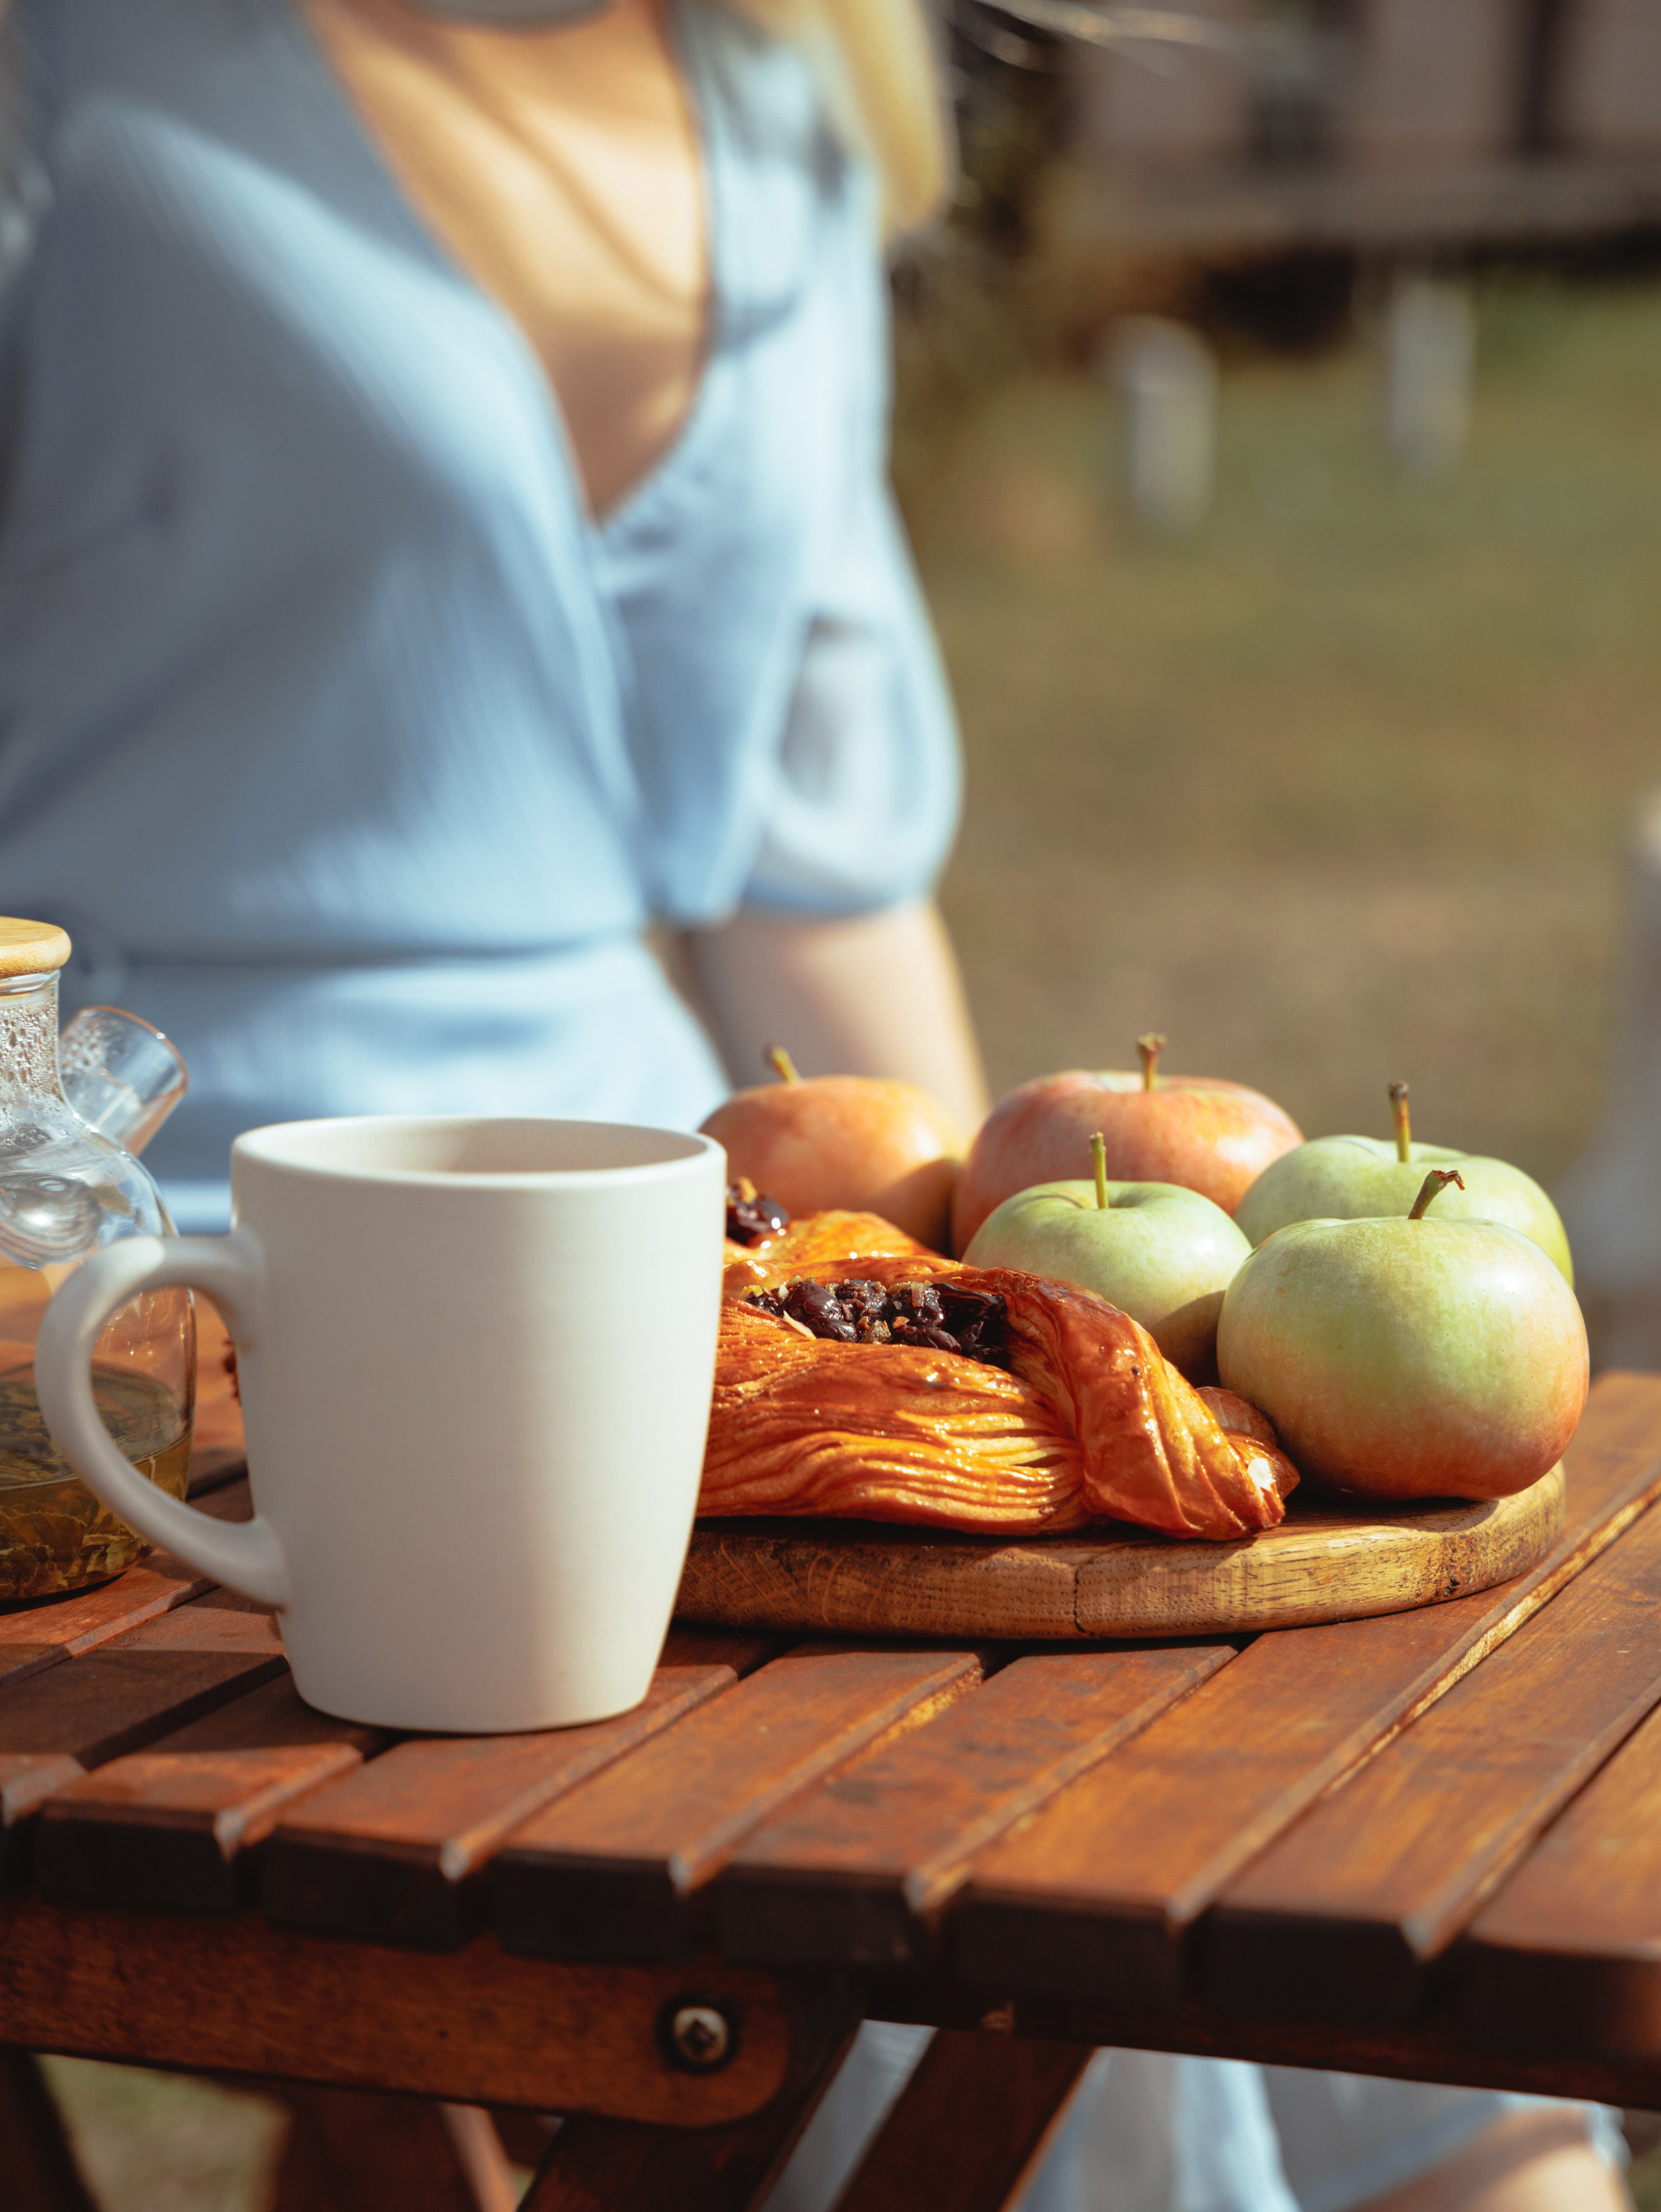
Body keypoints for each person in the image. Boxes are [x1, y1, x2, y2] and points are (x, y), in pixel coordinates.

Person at [0, 3, 1634, 2210]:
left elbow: (817, 909)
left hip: (690, 1269)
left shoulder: (771, 94)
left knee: (1381, 1890)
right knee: (1026, 1947)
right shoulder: (75, 75)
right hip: (192, 1258)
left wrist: (998, 1358)